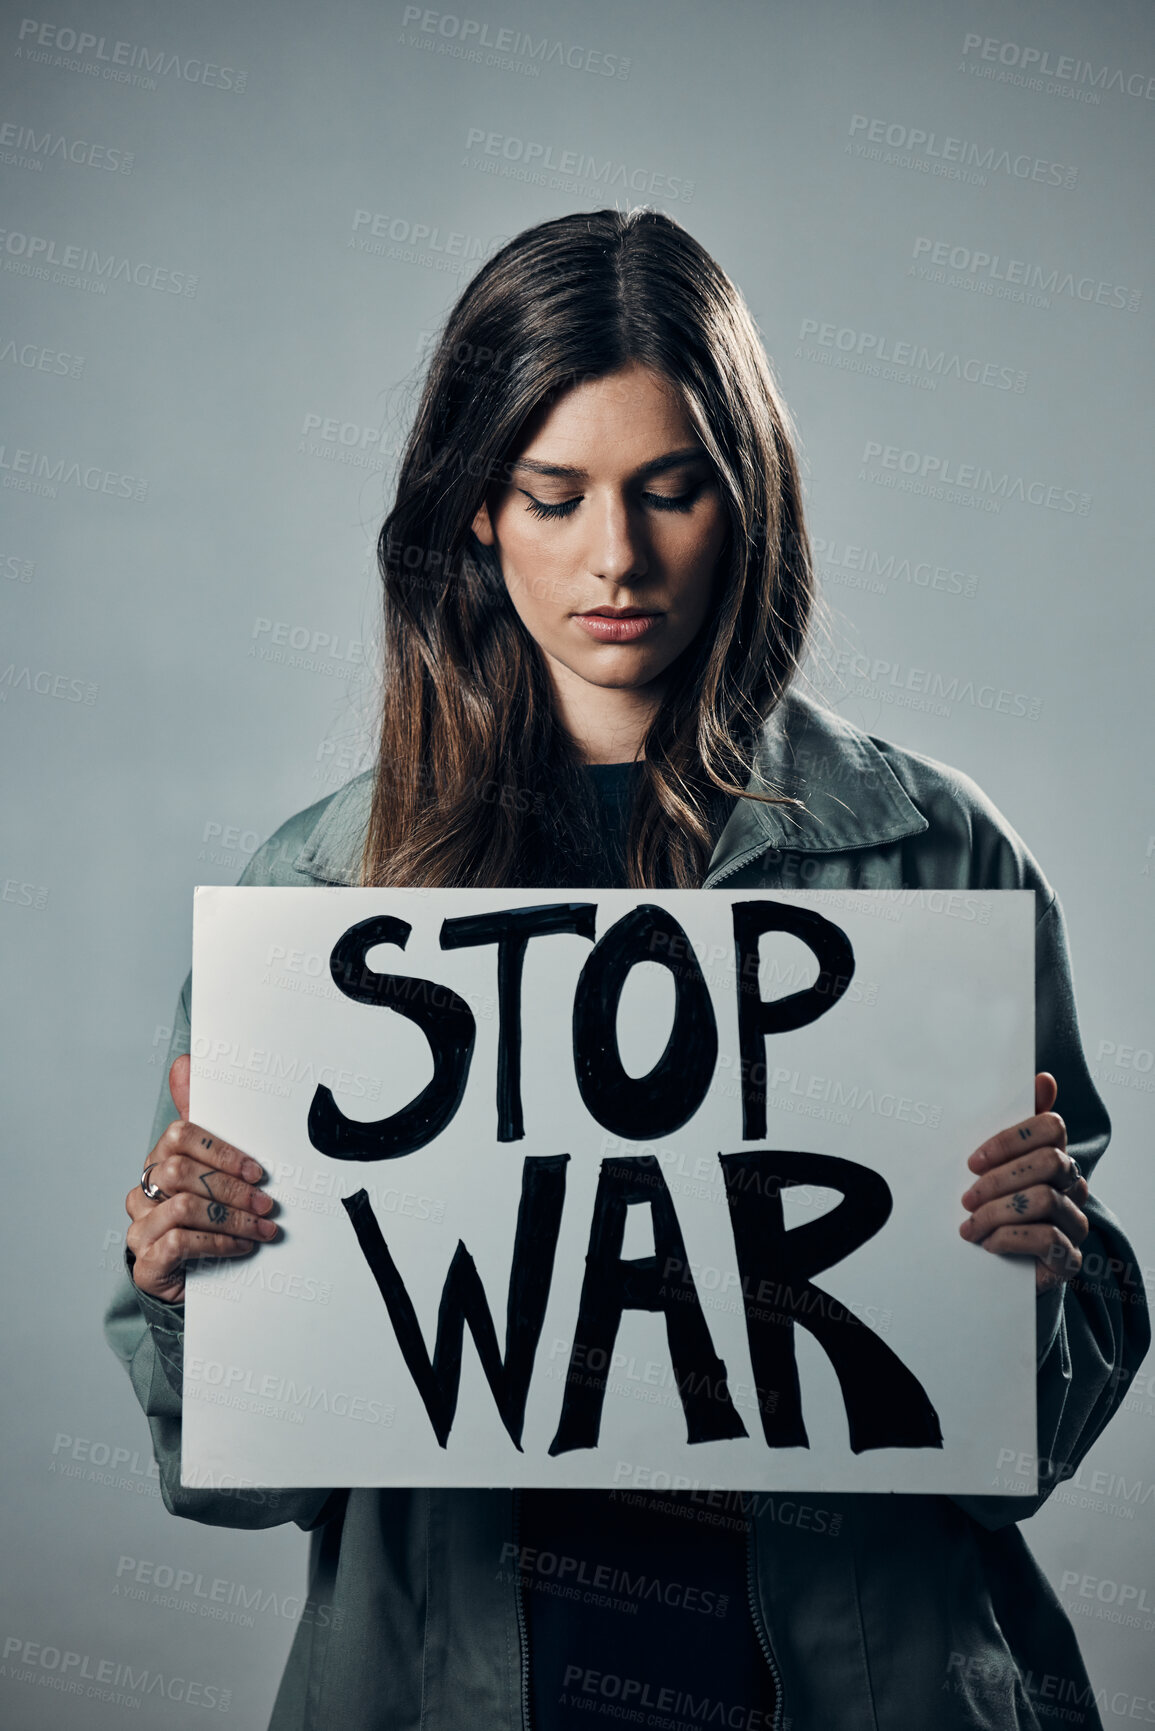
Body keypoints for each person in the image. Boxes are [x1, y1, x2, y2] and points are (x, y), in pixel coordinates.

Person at [105, 207, 1148, 1731]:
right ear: (476, 511)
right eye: (554, 494)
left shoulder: (935, 852)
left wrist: (1039, 1276)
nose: (618, 557)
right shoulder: (322, 900)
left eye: (672, 492)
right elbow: (252, 1483)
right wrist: (198, 1291)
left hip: (864, 1685)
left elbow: (1033, 1447)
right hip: (459, 1681)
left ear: (747, 503)